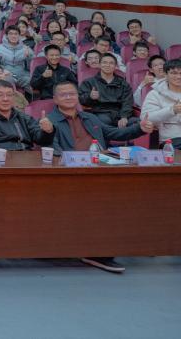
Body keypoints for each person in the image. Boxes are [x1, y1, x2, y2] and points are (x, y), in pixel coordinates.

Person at [45, 80, 153, 275]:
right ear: (55, 99)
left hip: (101, 168)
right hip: (72, 173)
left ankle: (136, 243)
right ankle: (98, 250)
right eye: (63, 94)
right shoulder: (49, 122)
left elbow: (115, 133)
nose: (69, 97)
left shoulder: (90, 117)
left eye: (72, 93)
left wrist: (140, 128)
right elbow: (53, 150)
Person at [0, 80, 54, 150]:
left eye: (9, 95)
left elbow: (42, 141)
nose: (5, 99)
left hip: (26, 155)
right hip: (1, 157)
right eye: (0, 95)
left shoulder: (23, 117)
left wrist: (47, 131)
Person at [79, 53, 134, 127]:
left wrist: (124, 116)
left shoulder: (123, 83)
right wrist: (90, 96)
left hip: (119, 113)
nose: (108, 65)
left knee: (138, 123)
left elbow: (127, 102)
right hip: (100, 113)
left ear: (116, 66)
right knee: (104, 121)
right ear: (99, 65)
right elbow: (81, 99)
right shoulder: (89, 82)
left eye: (111, 63)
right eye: (104, 62)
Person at [140, 58, 181, 149]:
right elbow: (146, 118)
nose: (178, 77)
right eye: (174, 73)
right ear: (165, 74)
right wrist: (172, 110)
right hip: (170, 139)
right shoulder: (155, 94)